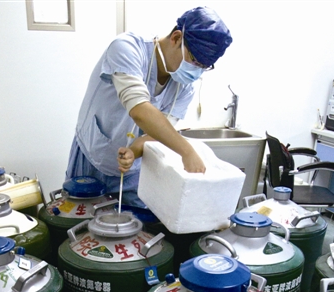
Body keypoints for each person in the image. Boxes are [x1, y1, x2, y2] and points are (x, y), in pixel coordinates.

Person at [66, 6, 232, 207]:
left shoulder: (184, 86)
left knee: (135, 223)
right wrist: (187, 151)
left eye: (205, 67)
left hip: (132, 170)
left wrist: (134, 150)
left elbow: (160, 131)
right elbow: (140, 110)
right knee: (82, 220)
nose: (197, 72)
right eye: (195, 61)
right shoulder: (127, 48)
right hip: (92, 157)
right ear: (176, 38)